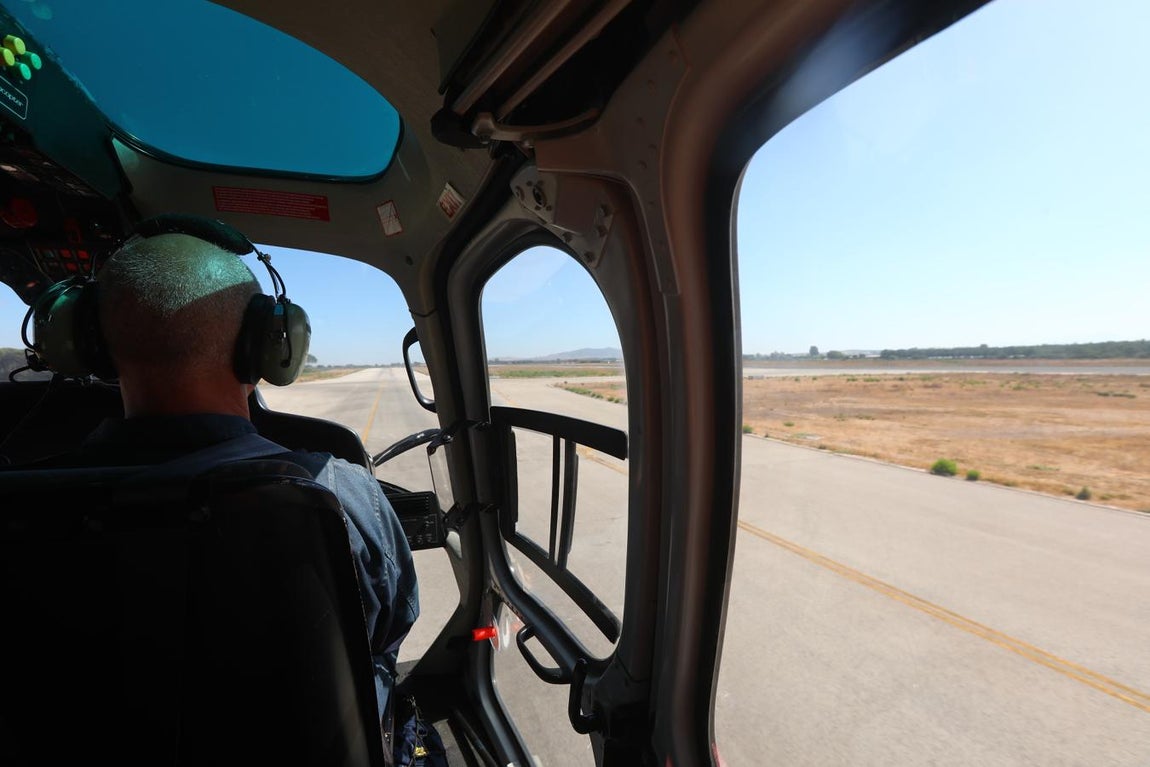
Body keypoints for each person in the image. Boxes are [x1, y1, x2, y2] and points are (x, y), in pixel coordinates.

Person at [47, 219, 419, 731]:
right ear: (267, 348)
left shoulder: (25, 503)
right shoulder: (342, 496)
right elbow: (386, 638)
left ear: (88, 345)